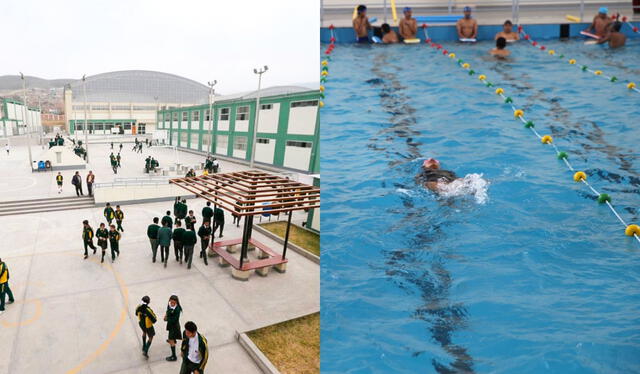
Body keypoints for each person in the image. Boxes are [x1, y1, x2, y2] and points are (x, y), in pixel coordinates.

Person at [164, 295, 183, 362]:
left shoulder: (177, 309)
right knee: (171, 337)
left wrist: (166, 319)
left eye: (173, 302)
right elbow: (167, 310)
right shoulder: (169, 305)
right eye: (171, 301)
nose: (172, 303)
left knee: (171, 339)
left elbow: (175, 320)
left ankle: (174, 356)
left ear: (176, 302)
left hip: (174, 326)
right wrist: (166, 315)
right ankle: (173, 340)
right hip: (170, 325)